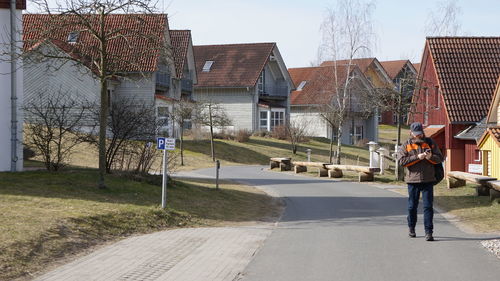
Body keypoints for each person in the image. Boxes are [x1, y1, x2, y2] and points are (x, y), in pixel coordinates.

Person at [397, 122, 443, 241]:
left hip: (428, 180)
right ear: (411, 133)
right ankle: (411, 228)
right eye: (416, 134)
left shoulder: (430, 143)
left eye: (420, 134)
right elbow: (402, 161)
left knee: (428, 207)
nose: (418, 136)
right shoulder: (406, 145)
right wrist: (417, 157)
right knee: (412, 207)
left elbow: (439, 158)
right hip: (413, 181)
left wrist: (430, 157)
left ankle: (429, 232)